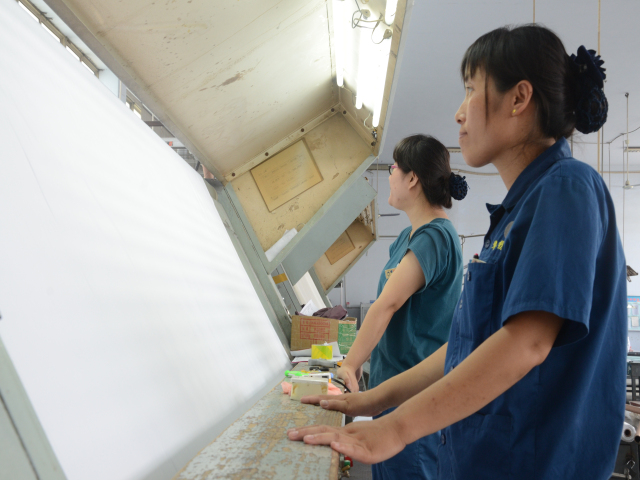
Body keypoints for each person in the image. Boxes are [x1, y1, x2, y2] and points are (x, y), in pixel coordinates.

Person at [288, 24, 627, 480]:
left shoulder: (567, 187)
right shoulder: (515, 212)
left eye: (470, 90)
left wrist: (397, 428)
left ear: (518, 98)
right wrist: (371, 400)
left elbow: (526, 342)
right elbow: (466, 348)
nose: (458, 113)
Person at [336, 134, 467, 479]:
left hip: (413, 399)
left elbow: (386, 305)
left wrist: (350, 364)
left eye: (394, 167)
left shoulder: (436, 237)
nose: (390, 173)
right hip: (390, 393)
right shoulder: (406, 239)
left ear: (412, 179)